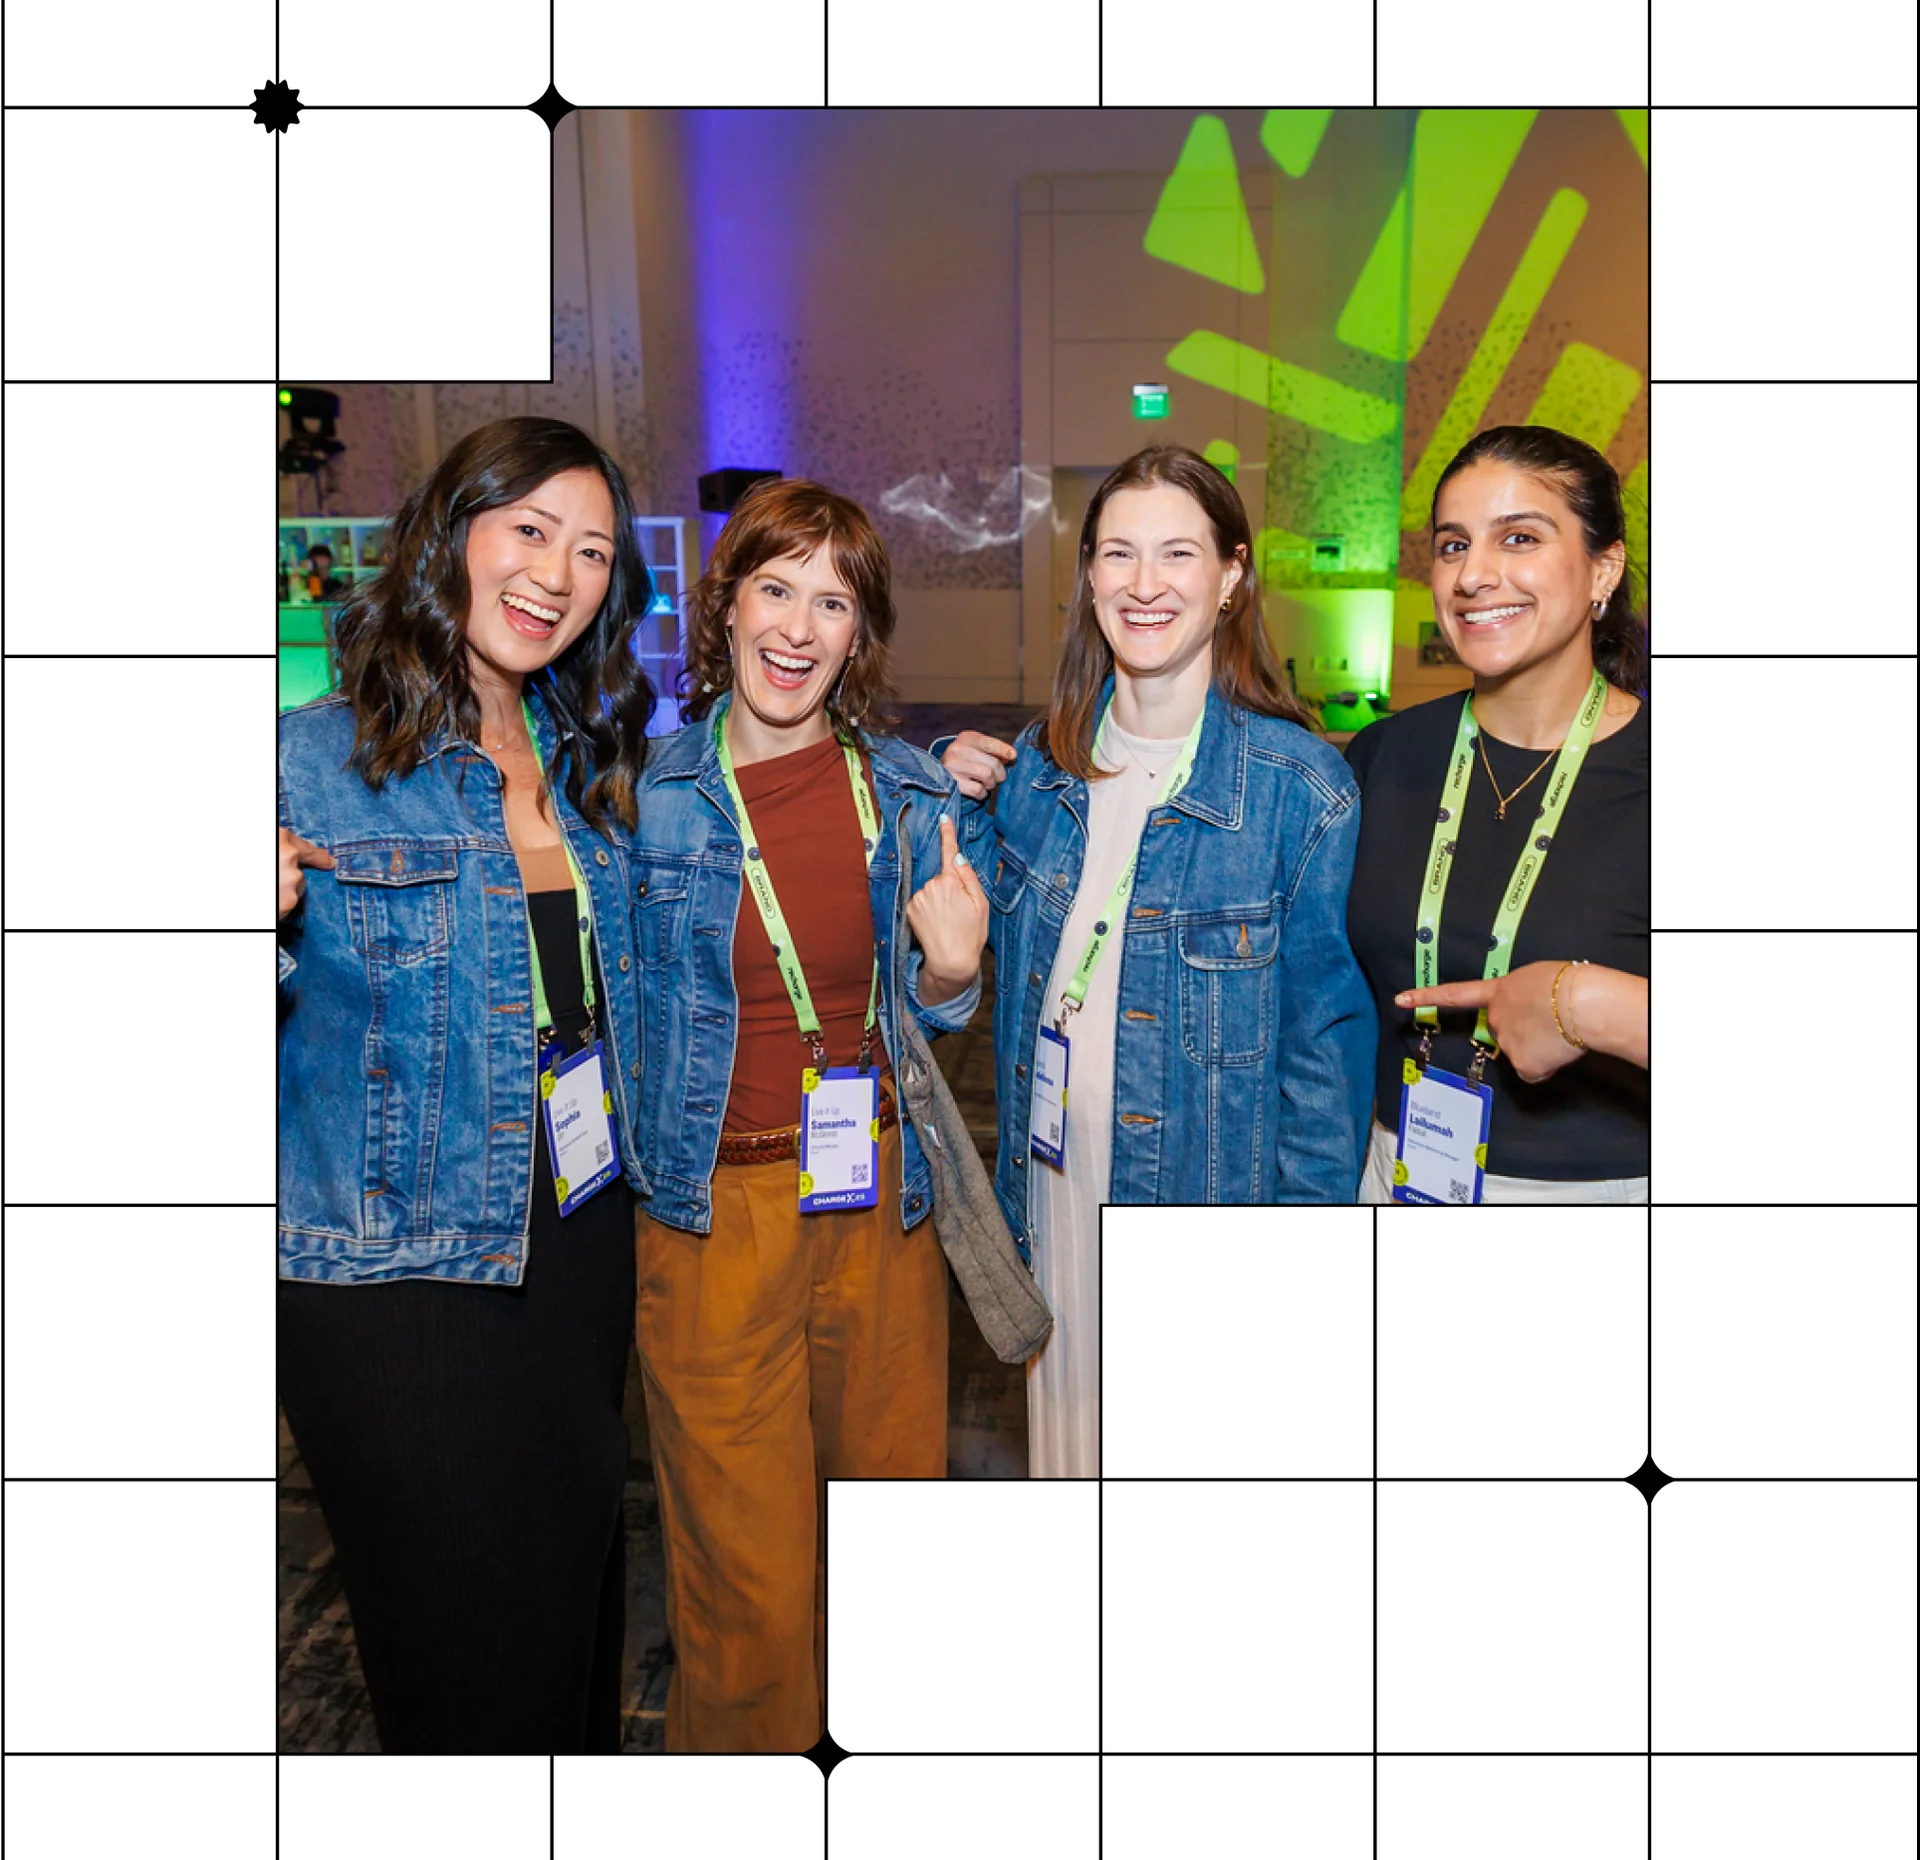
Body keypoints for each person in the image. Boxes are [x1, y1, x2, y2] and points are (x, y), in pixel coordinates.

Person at [276, 415, 658, 1751]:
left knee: (568, 1642)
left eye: (595, 550)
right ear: (451, 534)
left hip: (576, 1247)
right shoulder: (309, 763)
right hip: (398, 1291)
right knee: (462, 1678)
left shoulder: (590, 761)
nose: (560, 572)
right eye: (530, 529)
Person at [624, 478, 987, 1752]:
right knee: (746, 1586)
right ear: (723, 607)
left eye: (831, 600)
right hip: (713, 1217)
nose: (798, 625)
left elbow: (934, 1010)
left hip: (883, 1207)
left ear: (858, 634)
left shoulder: (910, 791)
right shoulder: (642, 800)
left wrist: (949, 980)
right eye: (775, 587)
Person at [940, 444, 1376, 1479]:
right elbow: (949, 974)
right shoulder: (1038, 773)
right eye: (1118, 554)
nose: (1144, 585)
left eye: (1177, 554)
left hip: (1203, 1189)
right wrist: (943, 797)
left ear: (1231, 578)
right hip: (1050, 1196)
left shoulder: (1301, 792)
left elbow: (1322, 1070)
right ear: (1086, 576)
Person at [1342, 424, 1648, 1205]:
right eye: (1452, 546)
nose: (1475, 575)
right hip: (1395, 1173)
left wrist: (1585, 1005)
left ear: (1601, 569)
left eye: (1518, 538)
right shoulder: (1383, 758)